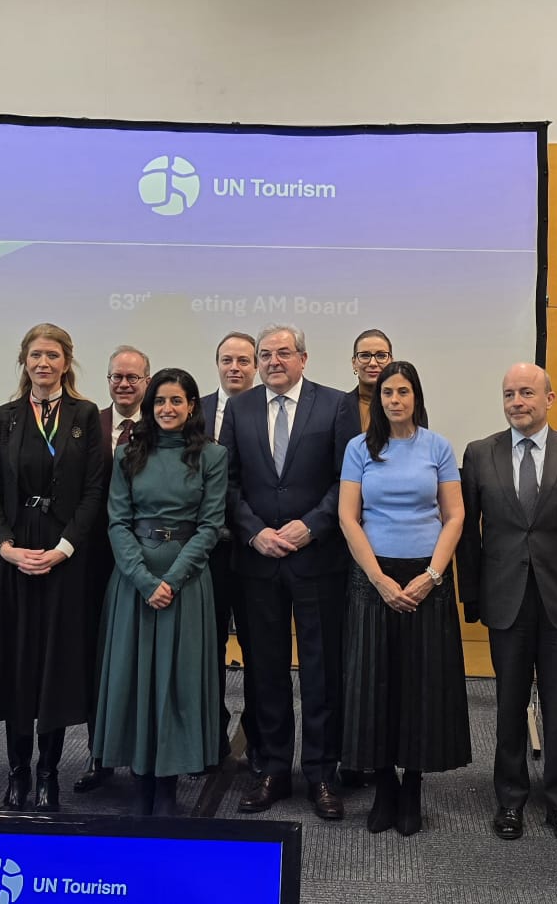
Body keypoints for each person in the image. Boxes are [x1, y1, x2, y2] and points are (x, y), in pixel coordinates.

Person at [460, 363, 557, 842]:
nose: (517, 402)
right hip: (504, 598)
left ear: (549, 399)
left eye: (526, 393)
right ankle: (510, 800)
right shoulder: (479, 453)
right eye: (509, 394)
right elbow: (468, 536)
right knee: (508, 705)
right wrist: (471, 597)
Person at [221, 324, 360, 820]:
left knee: (322, 672)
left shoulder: (336, 405)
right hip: (258, 561)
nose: (273, 361)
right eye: (265, 354)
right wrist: (254, 532)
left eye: (283, 353)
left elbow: (349, 477)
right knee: (266, 671)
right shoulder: (238, 408)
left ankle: (321, 773)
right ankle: (273, 769)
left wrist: (313, 526)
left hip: (317, 559)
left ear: (303, 357)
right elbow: (227, 482)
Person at [0, 323, 109, 812]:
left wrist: (65, 547)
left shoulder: (85, 415)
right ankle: (17, 772)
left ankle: (48, 773)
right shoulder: (6, 417)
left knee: (54, 665)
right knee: (16, 664)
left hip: (63, 556)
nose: (43, 363)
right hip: (15, 555)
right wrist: (5, 547)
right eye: (36, 354)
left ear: (66, 362)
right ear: (24, 360)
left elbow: (94, 490)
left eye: (53, 355)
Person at [338, 360, 469, 835]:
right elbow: (348, 517)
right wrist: (378, 579)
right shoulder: (359, 448)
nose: (395, 400)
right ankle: (384, 786)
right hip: (373, 580)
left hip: (426, 580)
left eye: (403, 392)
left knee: (421, 685)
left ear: (416, 397)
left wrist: (432, 575)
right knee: (373, 683)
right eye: (387, 393)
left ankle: (412, 785)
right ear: (378, 400)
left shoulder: (438, 446)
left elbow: (454, 516)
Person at [93, 367, 229, 815]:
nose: (167, 409)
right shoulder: (127, 453)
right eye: (159, 401)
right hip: (134, 582)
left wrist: (171, 580)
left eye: (176, 401)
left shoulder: (212, 456)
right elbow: (117, 521)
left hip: (186, 582)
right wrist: (144, 579)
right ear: (149, 407)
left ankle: (168, 785)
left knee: (177, 680)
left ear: (192, 406)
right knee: (133, 678)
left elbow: (210, 526)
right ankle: (140, 781)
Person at [75, 344, 148, 794]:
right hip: (92, 559)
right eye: (116, 377)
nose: (123, 384)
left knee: (138, 659)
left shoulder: (159, 428)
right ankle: (97, 753)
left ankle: (143, 754)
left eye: (132, 377)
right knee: (97, 657)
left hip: (142, 561)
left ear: (146, 382)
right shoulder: (89, 424)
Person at [199, 330, 258, 760]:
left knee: (258, 647)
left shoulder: (269, 410)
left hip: (256, 547)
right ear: (217, 364)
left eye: (243, 360)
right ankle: (210, 736)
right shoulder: (193, 410)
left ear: (255, 366)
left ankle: (256, 736)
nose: (234, 368)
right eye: (227, 360)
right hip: (208, 553)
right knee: (208, 646)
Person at [349, 330, 393, 433]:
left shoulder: (411, 409)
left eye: (381, 356)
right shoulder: (337, 408)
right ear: (354, 363)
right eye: (365, 356)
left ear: (391, 361)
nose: (373, 363)